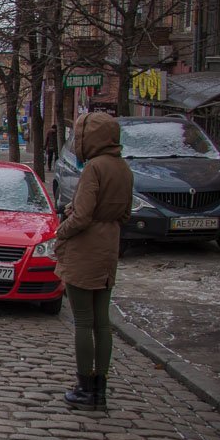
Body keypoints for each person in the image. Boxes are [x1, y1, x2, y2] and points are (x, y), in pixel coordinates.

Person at [54, 112, 133, 411]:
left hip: (85, 250)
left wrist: (61, 232)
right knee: (103, 322)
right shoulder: (123, 168)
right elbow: (125, 214)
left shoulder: (95, 168)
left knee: (84, 322)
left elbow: (82, 216)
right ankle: (100, 388)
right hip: (108, 249)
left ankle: (84, 387)